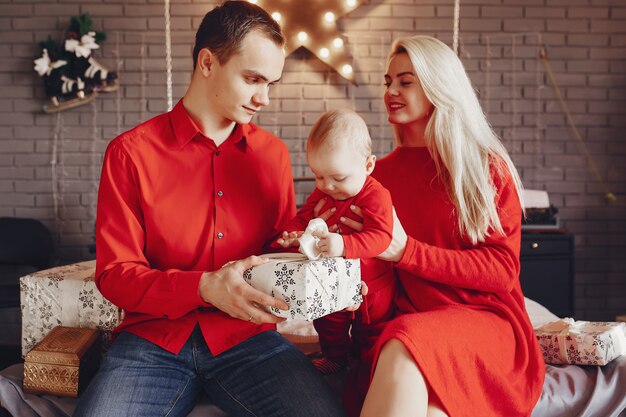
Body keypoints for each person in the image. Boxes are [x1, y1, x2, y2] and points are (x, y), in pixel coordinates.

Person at [74, 2, 346, 416]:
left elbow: (277, 255)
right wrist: (201, 286)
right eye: (253, 79)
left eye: (271, 82)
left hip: (250, 341)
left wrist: (328, 266)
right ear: (207, 63)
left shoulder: (272, 155)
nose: (264, 98)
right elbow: (114, 275)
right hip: (151, 343)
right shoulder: (130, 154)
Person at [352, 35, 546, 417]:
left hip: (487, 324)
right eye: (388, 81)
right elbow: (379, 279)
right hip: (410, 323)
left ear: (438, 85)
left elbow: (501, 272)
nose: (391, 90)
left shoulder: (485, 168)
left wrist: (406, 251)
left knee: (405, 341)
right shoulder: (377, 178)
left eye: (405, 81)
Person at [276, 109, 396, 375]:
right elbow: (303, 218)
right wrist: (293, 234)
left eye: (338, 178)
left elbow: (382, 237)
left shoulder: (375, 195)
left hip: (371, 286)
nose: (327, 186)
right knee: (328, 321)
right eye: (318, 176)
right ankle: (335, 357)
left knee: (371, 331)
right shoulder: (323, 194)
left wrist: (343, 245)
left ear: (368, 165)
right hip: (331, 279)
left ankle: (367, 364)